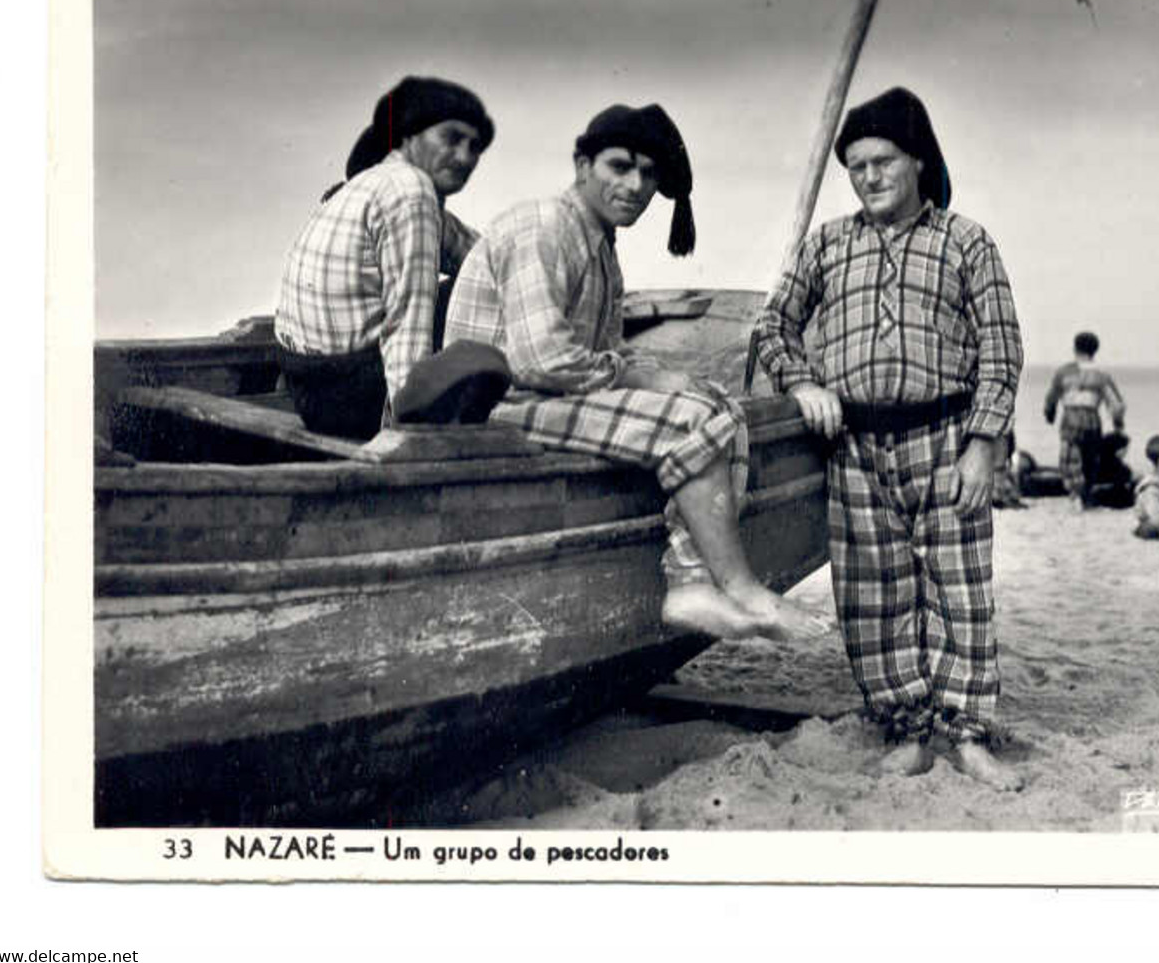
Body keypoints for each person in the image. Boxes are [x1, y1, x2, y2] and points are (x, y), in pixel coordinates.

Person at [443, 103, 831, 644]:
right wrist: (641, 380)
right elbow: (540, 361)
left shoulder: (599, 245)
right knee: (690, 423)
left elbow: (601, 352)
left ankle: (697, 579)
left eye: (648, 174)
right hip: (493, 404)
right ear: (582, 165)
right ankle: (731, 587)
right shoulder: (545, 225)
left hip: (541, 396)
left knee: (719, 405)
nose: (635, 185)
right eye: (619, 167)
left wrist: (661, 375)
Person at [752, 86, 1025, 790]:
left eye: (883, 161)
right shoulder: (828, 244)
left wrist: (982, 443)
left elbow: (1000, 348)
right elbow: (773, 325)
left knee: (958, 591)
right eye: (855, 166)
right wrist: (802, 383)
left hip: (943, 438)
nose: (868, 177)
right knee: (872, 597)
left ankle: (965, 732)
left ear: (919, 161)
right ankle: (906, 726)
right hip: (854, 451)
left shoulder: (964, 241)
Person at [275, 76, 493, 440]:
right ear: (409, 136)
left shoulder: (374, 184)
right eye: (452, 138)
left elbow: (482, 254)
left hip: (307, 389)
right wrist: (408, 432)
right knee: (485, 290)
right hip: (349, 402)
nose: (465, 157)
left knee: (488, 274)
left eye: (474, 147)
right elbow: (407, 323)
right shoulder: (410, 191)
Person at [1043, 331, 1127, 505]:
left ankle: (1075, 495)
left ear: (1075, 348)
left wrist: (1050, 415)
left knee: (1070, 459)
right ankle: (1086, 495)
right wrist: (1118, 424)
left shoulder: (1064, 372)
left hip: (1070, 419)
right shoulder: (1102, 376)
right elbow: (1116, 405)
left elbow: (1051, 398)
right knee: (1090, 458)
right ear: (1095, 351)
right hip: (1092, 419)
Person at [1080, 430, 1136, 509]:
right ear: (1116, 449)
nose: (1126, 451)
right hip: (1109, 498)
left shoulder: (1098, 461)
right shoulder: (1115, 466)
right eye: (1124, 448)